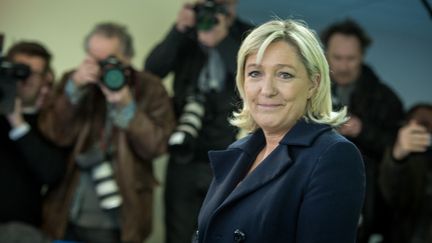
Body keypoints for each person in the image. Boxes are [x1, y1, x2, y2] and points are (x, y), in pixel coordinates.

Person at [194, 19, 365, 243]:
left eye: (284, 75)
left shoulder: (334, 156)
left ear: (313, 84)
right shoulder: (237, 151)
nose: (267, 90)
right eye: (255, 73)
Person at [39, 22, 175, 243]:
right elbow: (54, 133)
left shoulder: (151, 88)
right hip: (71, 207)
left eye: (109, 60)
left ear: (128, 58)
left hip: (122, 215)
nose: (101, 68)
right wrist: (74, 89)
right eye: (94, 59)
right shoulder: (74, 81)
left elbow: (157, 147)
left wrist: (127, 107)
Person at [145, 1, 252, 242]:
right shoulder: (188, 34)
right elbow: (152, 71)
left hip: (226, 155)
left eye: (223, 5)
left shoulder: (247, 36)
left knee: (220, 233)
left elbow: (250, 78)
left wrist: (222, 41)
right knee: (178, 234)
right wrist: (179, 28)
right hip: (184, 153)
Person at [320, 18, 404, 242]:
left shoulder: (385, 98)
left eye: (351, 59)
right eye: (337, 57)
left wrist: (361, 130)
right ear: (325, 54)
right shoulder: (307, 90)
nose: (343, 66)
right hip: (314, 185)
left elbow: (399, 152)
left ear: (362, 56)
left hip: (364, 198)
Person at [0, 41, 65, 234]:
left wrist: (17, 122)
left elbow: (52, 173)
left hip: (21, 231)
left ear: (45, 78)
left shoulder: (51, 122)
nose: (24, 78)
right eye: (18, 70)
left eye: (32, 73)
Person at [379, 103, 432, 243]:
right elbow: (393, 193)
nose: (428, 131)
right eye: (424, 124)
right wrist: (397, 156)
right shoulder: (411, 161)